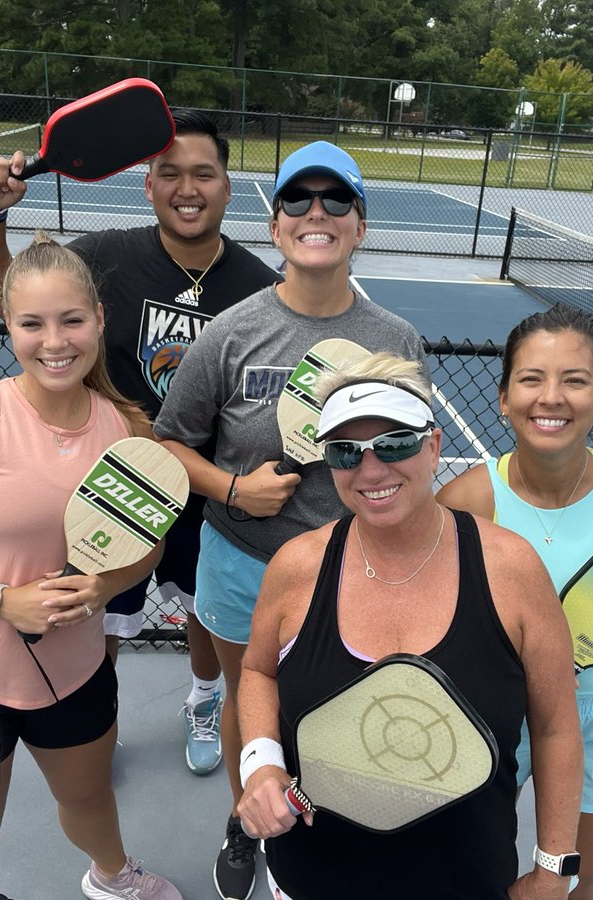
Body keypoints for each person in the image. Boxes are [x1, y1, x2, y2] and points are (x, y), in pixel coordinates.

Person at [154, 142, 429, 900]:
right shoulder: (231, 333)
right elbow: (171, 441)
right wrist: (235, 490)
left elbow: (409, 454)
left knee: (333, 709)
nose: (317, 214)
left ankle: (317, 832)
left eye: (336, 201)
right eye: (298, 202)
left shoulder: (395, 340)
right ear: (274, 229)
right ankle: (247, 824)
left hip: (347, 570)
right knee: (254, 703)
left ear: (360, 226)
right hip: (243, 557)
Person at [0, 109, 276, 777]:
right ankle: (95, 714)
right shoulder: (106, 255)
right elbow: (1, 298)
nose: (186, 187)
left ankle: (202, 697)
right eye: (170, 173)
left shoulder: (258, 287)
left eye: (203, 173)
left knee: (204, 613)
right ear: (148, 185)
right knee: (100, 609)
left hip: (204, 489)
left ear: (227, 186)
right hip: (113, 482)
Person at [236, 352, 583, 899]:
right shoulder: (297, 567)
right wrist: (260, 763)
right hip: (310, 875)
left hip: (463, 879)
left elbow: (556, 727)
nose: (370, 470)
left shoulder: (511, 570)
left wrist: (554, 869)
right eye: (346, 451)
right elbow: (258, 670)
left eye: (394, 443)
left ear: (434, 445)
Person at [0, 234, 180, 900]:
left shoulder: (128, 428)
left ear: (98, 319)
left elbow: (144, 546)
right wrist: (2, 602)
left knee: (89, 798)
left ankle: (112, 876)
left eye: (71, 320)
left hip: (73, 672)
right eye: (32, 323)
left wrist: (103, 587)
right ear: (8, 326)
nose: (54, 341)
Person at [436, 305, 593, 900]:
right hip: (496, 717)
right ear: (502, 398)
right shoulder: (464, 502)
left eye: (575, 380)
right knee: (473, 875)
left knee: (577, 882)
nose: (551, 397)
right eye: (531, 379)